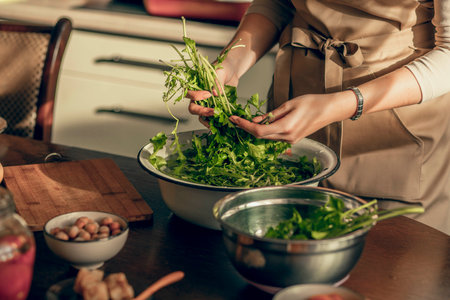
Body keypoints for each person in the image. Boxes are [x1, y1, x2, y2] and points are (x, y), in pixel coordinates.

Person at [186, 0, 450, 234]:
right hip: (293, 109)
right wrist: (231, 63)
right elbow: (279, 3)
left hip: (395, 131)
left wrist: (344, 103)